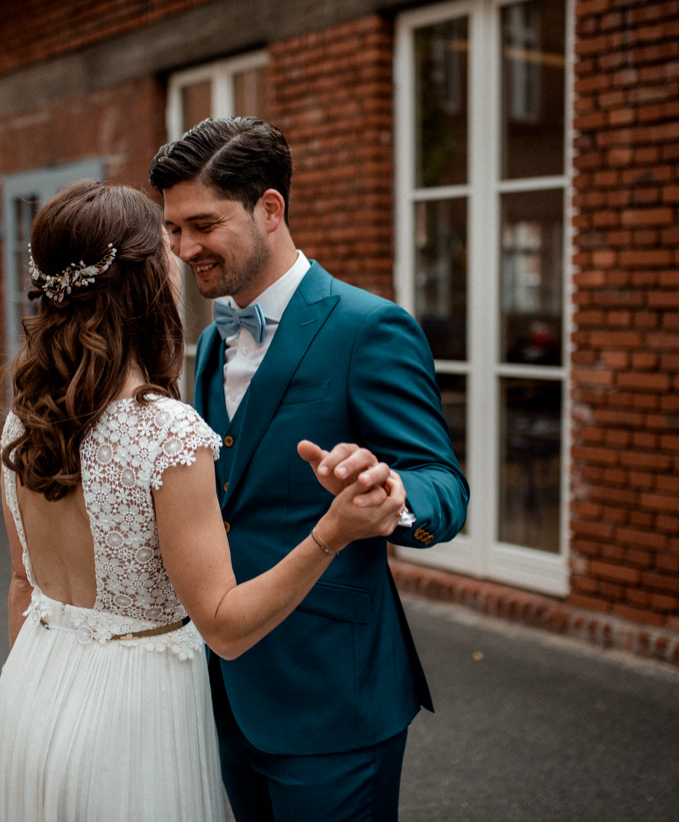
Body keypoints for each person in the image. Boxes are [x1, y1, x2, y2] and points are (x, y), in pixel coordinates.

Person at [0, 179, 409, 822]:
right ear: (145, 280)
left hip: (32, 699)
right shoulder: (164, 430)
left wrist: (39, 704)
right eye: (167, 248)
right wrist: (333, 531)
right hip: (131, 723)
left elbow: (23, 584)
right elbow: (225, 627)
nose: (182, 259)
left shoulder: (24, 421)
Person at [150, 117, 470, 822]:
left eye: (202, 224)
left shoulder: (369, 327)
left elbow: (444, 486)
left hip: (335, 699)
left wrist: (393, 492)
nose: (184, 248)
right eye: (173, 230)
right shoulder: (208, 347)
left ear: (270, 209)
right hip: (229, 687)